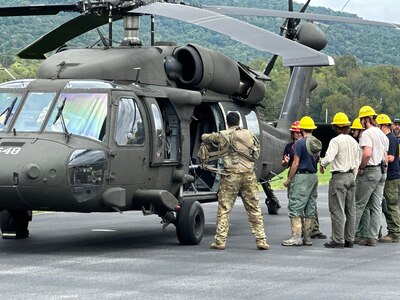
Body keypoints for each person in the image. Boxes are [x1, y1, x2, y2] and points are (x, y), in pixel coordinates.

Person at [201, 112, 269, 250]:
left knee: (224, 209)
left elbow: (205, 137)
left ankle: (220, 241)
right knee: (254, 208)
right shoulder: (250, 135)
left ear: (227, 123)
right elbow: (256, 153)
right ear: (239, 122)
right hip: (249, 175)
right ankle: (261, 240)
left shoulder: (223, 135)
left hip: (231, 175)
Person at [320, 112, 360, 248]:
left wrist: (322, 164)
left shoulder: (335, 141)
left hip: (339, 176)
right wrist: (353, 175)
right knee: (351, 210)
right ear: (347, 127)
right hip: (350, 176)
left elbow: (329, 157)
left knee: (337, 209)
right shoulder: (354, 141)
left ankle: (338, 239)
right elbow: (357, 161)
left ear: (335, 127)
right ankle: (350, 239)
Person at [282, 116, 322, 246]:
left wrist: (289, 179)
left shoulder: (299, 143)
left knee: (295, 205)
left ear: (302, 129)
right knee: (310, 206)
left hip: (301, 176)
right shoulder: (316, 142)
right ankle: (308, 237)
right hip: (313, 176)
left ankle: (296, 236)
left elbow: (295, 163)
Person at [354, 106, 388, 247]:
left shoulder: (367, 134)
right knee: (376, 206)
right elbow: (385, 157)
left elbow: (367, 153)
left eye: (362, 119)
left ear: (366, 119)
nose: (361, 122)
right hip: (382, 171)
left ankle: (348, 235)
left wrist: (362, 167)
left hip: (370, 171)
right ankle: (372, 237)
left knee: (359, 205)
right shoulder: (382, 135)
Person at [376, 114, 400, 243]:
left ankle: (394, 232)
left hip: (391, 177)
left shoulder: (390, 139)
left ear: (383, 126)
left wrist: (378, 158)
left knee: (391, 205)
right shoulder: (390, 138)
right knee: (389, 204)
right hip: (391, 176)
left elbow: (390, 158)